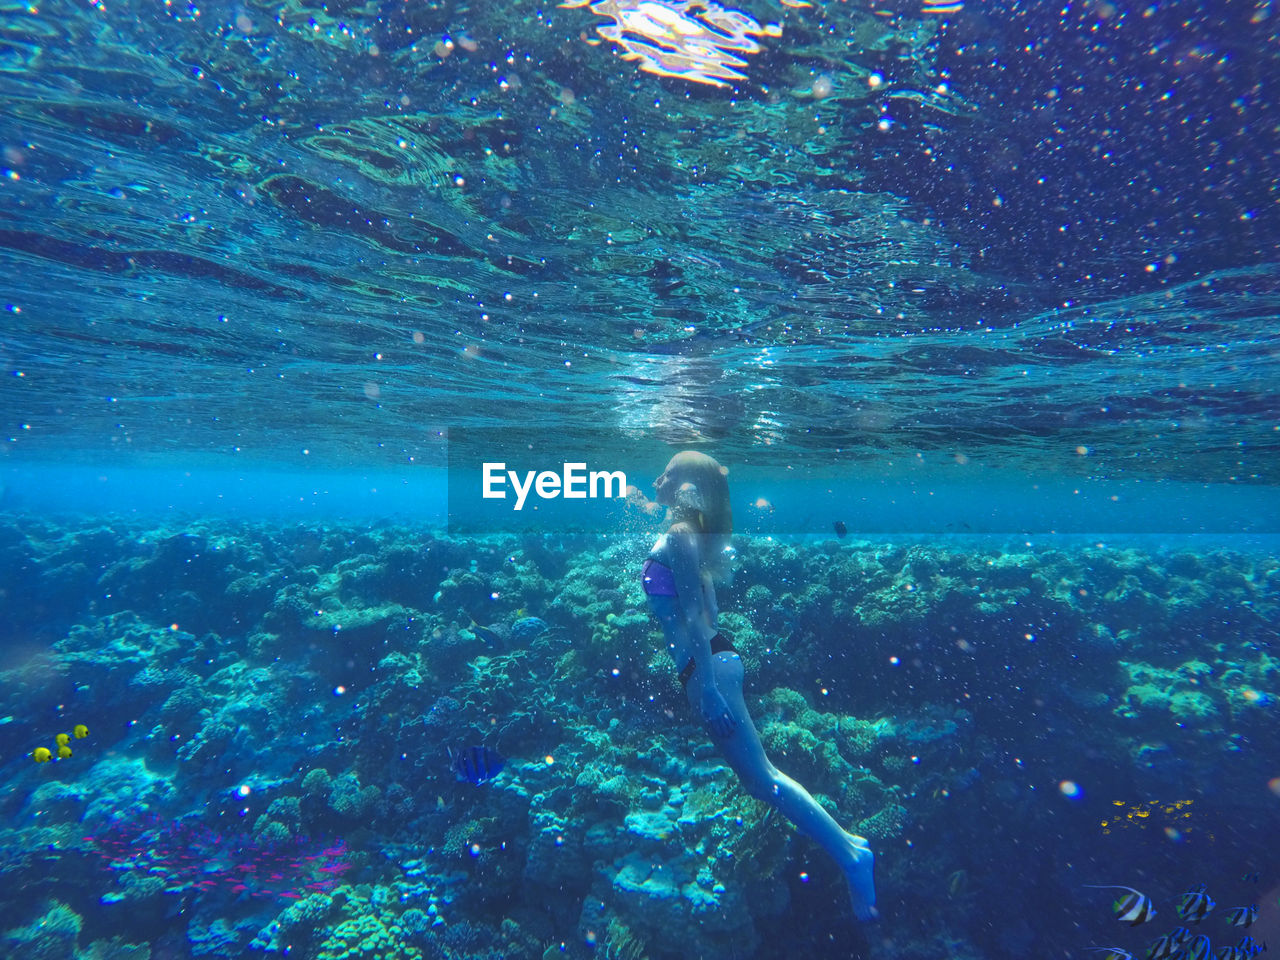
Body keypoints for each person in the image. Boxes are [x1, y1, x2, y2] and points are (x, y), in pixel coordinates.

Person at [640, 450, 878, 922]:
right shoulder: (689, 533)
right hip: (712, 663)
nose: (657, 478)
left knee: (762, 780)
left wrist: (706, 687)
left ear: (688, 488)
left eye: (667, 472)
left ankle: (852, 857)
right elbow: (707, 613)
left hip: (708, 672)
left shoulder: (681, 537)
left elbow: (691, 616)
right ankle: (850, 848)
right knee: (759, 778)